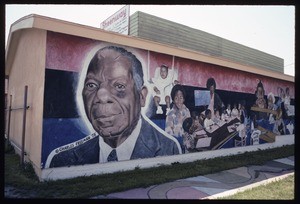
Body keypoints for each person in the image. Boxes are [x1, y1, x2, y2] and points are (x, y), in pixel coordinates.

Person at [45, 46, 181, 168]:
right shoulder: (62, 162)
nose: (101, 95)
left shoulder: (168, 148)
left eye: (119, 86)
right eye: (91, 85)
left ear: (141, 96)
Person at [165, 84, 191, 153]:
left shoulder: (187, 111)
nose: (179, 100)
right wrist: (180, 137)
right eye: (176, 98)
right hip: (175, 146)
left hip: (187, 146)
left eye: (181, 98)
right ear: (173, 100)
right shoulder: (170, 114)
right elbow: (168, 134)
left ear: (184, 99)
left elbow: (189, 127)